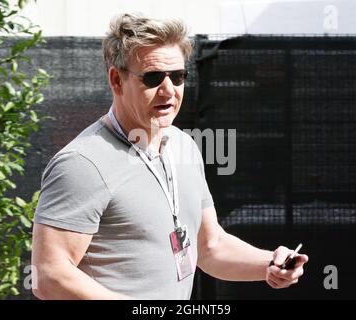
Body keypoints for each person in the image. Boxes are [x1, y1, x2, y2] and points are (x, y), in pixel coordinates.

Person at [31, 13, 308, 300]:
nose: (169, 90)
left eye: (177, 76)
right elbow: (49, 276)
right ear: (116, 80)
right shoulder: (81, 163)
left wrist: (269, 263)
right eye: (152, 78)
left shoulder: (183, 145)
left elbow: (210, 246)